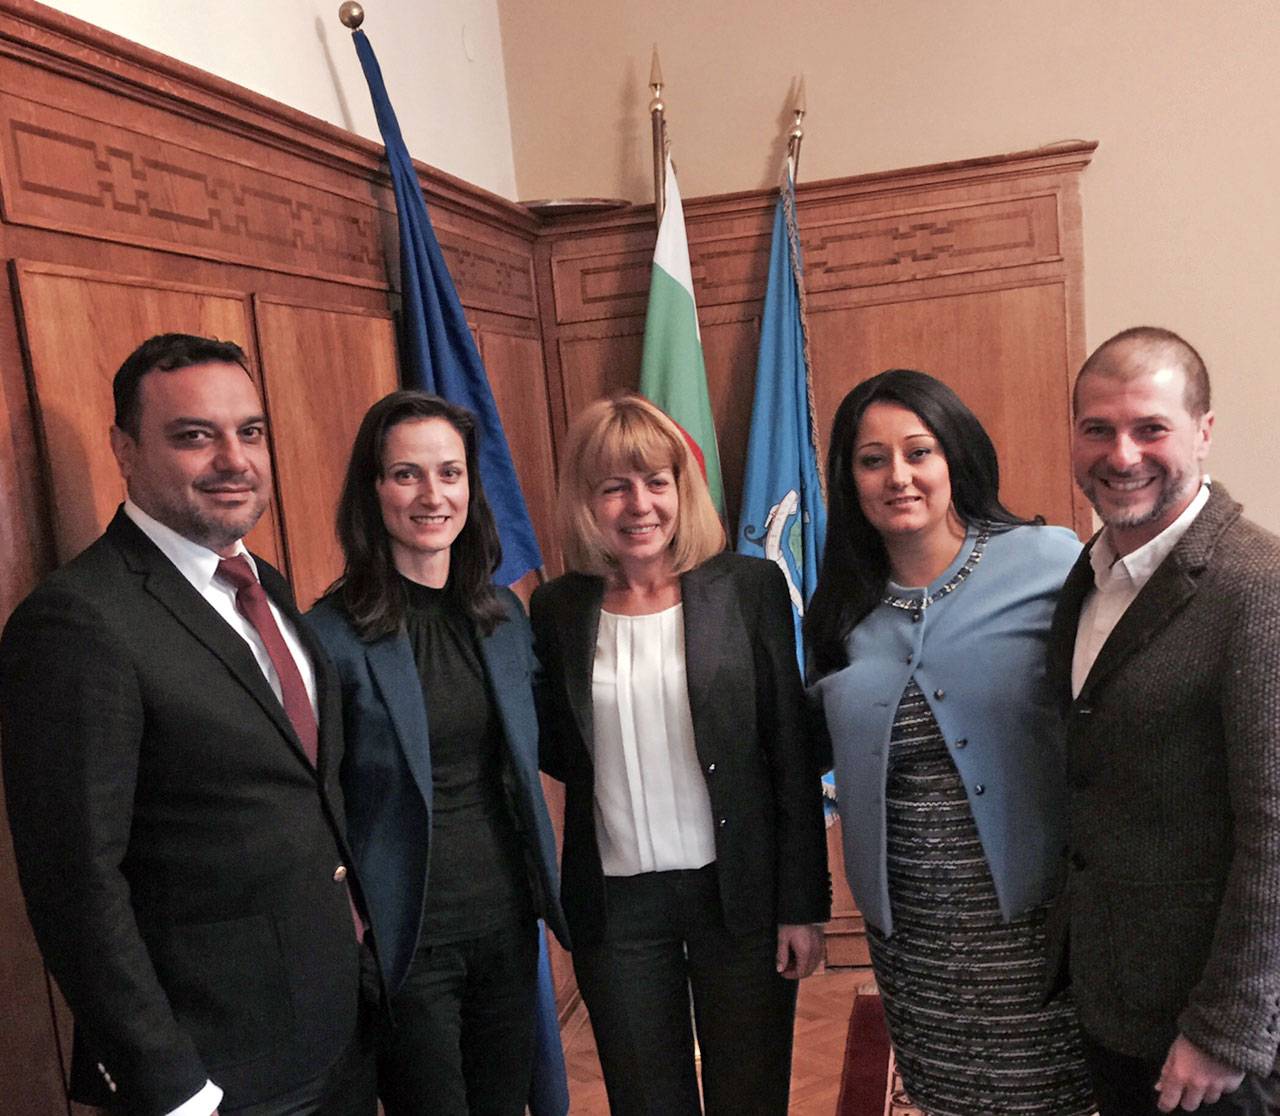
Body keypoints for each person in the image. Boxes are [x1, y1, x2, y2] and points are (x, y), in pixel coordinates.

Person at [0, 334, 375, 1116]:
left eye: (251, 431)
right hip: (216, 1067)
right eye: (194, 435)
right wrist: (169, 1083)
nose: (233, 459)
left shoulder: (261, 580)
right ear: (125, 451)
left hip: (333, 1027)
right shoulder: (78, 622)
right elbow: (75, 884)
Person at [530, 393, 829, 1116]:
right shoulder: (558, 611)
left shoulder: (747, 589)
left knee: (749, 1097)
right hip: (617, 907)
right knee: (645, 1101)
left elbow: (788, 754)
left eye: (657, 481)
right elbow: (558, 748)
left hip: (740, 895)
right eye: (615, 486)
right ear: (587, 501)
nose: (640, 504)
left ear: (681, 489)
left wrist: (803, 906)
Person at [807, 368, 1095, 1116]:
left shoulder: (1050, 562)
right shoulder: (838, 608)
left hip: (1035, 923)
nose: (897, 476)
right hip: (913, 934)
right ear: (850, 478)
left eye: (918, 452)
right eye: (872, 460)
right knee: (949, 1100)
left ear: (954, 458)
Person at [306, 390, 569, 1116]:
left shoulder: (503, 617)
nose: (432, 495)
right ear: (373, 489)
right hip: (407, 940)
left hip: (508, 924)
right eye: (406, 475)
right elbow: (315, 801)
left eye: (449, 474)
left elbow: (553, 743)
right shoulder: (329, 636)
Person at [1045, 326, 1280, 1115]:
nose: (1122, 454)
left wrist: (1226, 1029)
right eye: (1097, 428)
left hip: (1212, 1033)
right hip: (1118, 1001)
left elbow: (1276, 832)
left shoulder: (1258, 589)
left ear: (1203, 433)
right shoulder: (1088, 577)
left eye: (1151, 428)